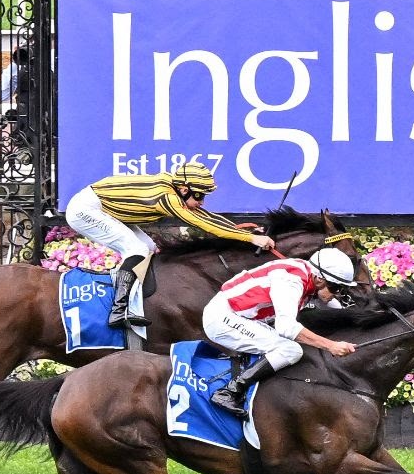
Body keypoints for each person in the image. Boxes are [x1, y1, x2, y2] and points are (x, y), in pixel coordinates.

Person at [65, 162, 277, 329]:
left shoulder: (175, 189)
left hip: (105, 208)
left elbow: (206, 216)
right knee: (137, 249)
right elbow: (203, 224)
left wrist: (244, 233)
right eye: (199, 195)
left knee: (147, 247)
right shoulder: (167, 198)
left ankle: (131, 299)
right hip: (86, 210)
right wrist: (251, 239)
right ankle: (117, 310)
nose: (202, 201)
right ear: (183, 189)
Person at [202, 247, 358, 420]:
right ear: (319, 279)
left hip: (241, 316)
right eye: (336, 288)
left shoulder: (309, 274)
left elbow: (335, 306)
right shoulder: (291, 281)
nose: (337, 294)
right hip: (222, 319)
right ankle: (229, 392)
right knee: (291, 350)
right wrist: (331, 346)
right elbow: (286, 327)